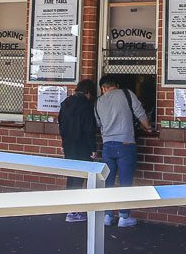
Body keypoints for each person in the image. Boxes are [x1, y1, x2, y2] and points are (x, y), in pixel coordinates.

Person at [95, 75, 152, 227]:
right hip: (125, 143)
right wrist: (148, 127)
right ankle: (124, 217)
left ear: (103, 88)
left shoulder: (98, 101)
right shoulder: (126, 94)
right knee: (125, 182)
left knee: (108, 181)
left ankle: (107, 215)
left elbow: (98, 122)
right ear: (116, 85)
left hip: (107, 145)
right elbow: (140, 113)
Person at [58, 79, 98, 223]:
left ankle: (70, 209)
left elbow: (61, 124)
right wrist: (93, 148)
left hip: (68, 145)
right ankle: (74, 211)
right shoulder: (86, 106)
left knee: (71, 176)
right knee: (80, 177)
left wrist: (64, 142)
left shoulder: (65, 103)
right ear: (88, 92)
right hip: (82, 146)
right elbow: (89, 129)